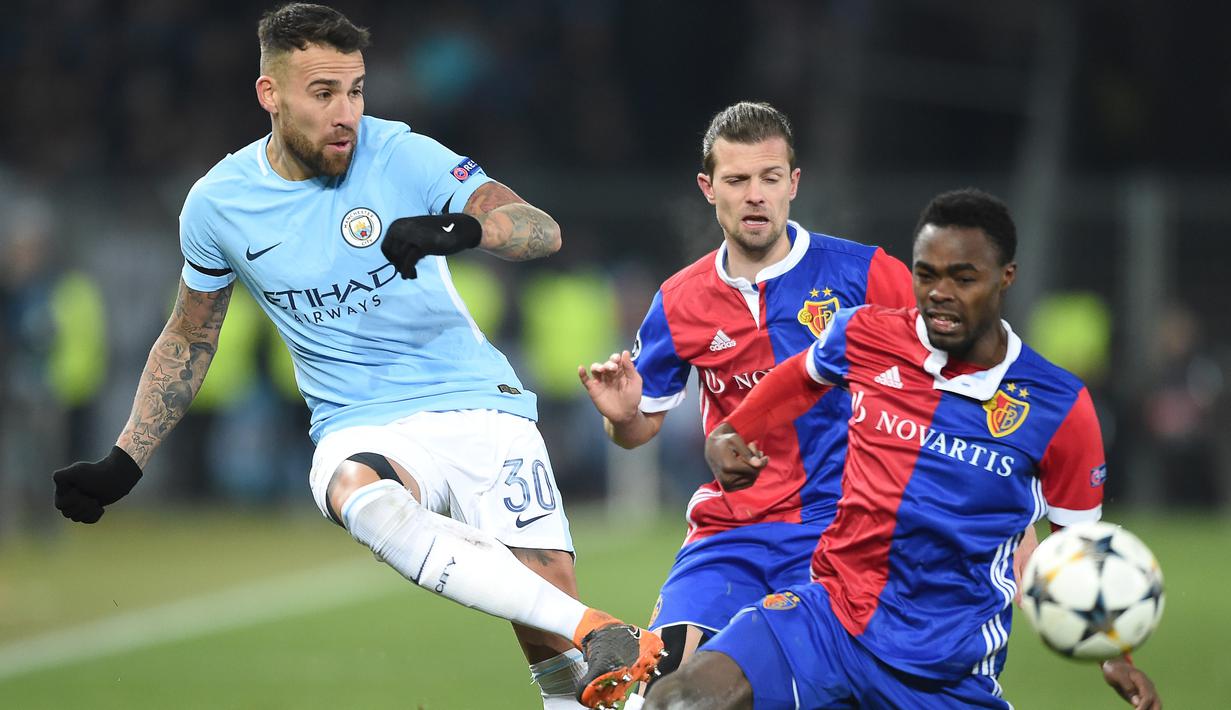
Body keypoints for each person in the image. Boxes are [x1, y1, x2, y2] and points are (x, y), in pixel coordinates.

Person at [48, 5, 662, 709]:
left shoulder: (398, 153)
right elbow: (190, 335)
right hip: (360, 420)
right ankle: (597, 626)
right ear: (270, 94)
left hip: (480, 405)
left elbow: (539, 229)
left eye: (356, 90)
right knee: (358, 492)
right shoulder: (219, 204)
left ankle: (587, 643)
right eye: (323, 93)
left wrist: (463, 229)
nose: (347, 113)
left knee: (565, 664)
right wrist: (125, 459)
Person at [645, 188, 1161, 709]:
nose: (940, 293)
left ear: (1006, 277)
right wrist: (735, 430)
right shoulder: (866, 333)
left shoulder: (1059, 406)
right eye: (926, 275)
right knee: (679, 699)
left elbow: (1080, 550)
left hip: (943, 671)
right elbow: (802, 375)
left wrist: (1114, 654)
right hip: (828, 621)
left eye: (963, 278)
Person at [578, 101, 919, 693]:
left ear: (793, 183)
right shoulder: (680, 299)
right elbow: (638, 430)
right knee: (665, 691)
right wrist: (623, 416)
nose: (755, 195)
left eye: (769, 178)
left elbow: (946, 384)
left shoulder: (866, 275)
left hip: (841, 531)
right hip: (729, 536)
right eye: (737, 180)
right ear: (709, 188)